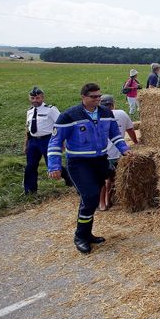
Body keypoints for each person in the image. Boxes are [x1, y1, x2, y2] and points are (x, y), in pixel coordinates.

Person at [47, 83, 131, 254]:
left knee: (90, 199)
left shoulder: (106, 113)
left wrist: (125, 150)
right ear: (83, 97)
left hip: (99, 161)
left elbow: (114, 134)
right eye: (93, 96)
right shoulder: (69, 116)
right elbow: (55, 142)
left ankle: (88, 233)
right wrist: (54, 165)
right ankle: (80, 236)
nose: (97, 99)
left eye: (99, 96)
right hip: (79, 163)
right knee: (90, 195)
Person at [98, 95, 138, 211]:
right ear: (113, 104)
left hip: (103, 154)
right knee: (113, 178)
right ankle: (108, 200)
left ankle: (102, 204)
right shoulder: (121, 113)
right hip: (119, 153)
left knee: (102, 179)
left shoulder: (96, 116)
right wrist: (136, 142)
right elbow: (130, 130)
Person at [23, 86, 60, 194]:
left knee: (52, 165)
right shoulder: (29, 111)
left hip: (47, 140)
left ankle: (69, 179)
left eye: (37, 98)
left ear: (42, 98)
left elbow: (60, 125)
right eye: (32, 98)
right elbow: (28, 129)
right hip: (33, 141)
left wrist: (61, 142)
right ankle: (30, 190)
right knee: (30, 166)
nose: (35, 101)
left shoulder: (51, 109)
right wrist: (26, 144)